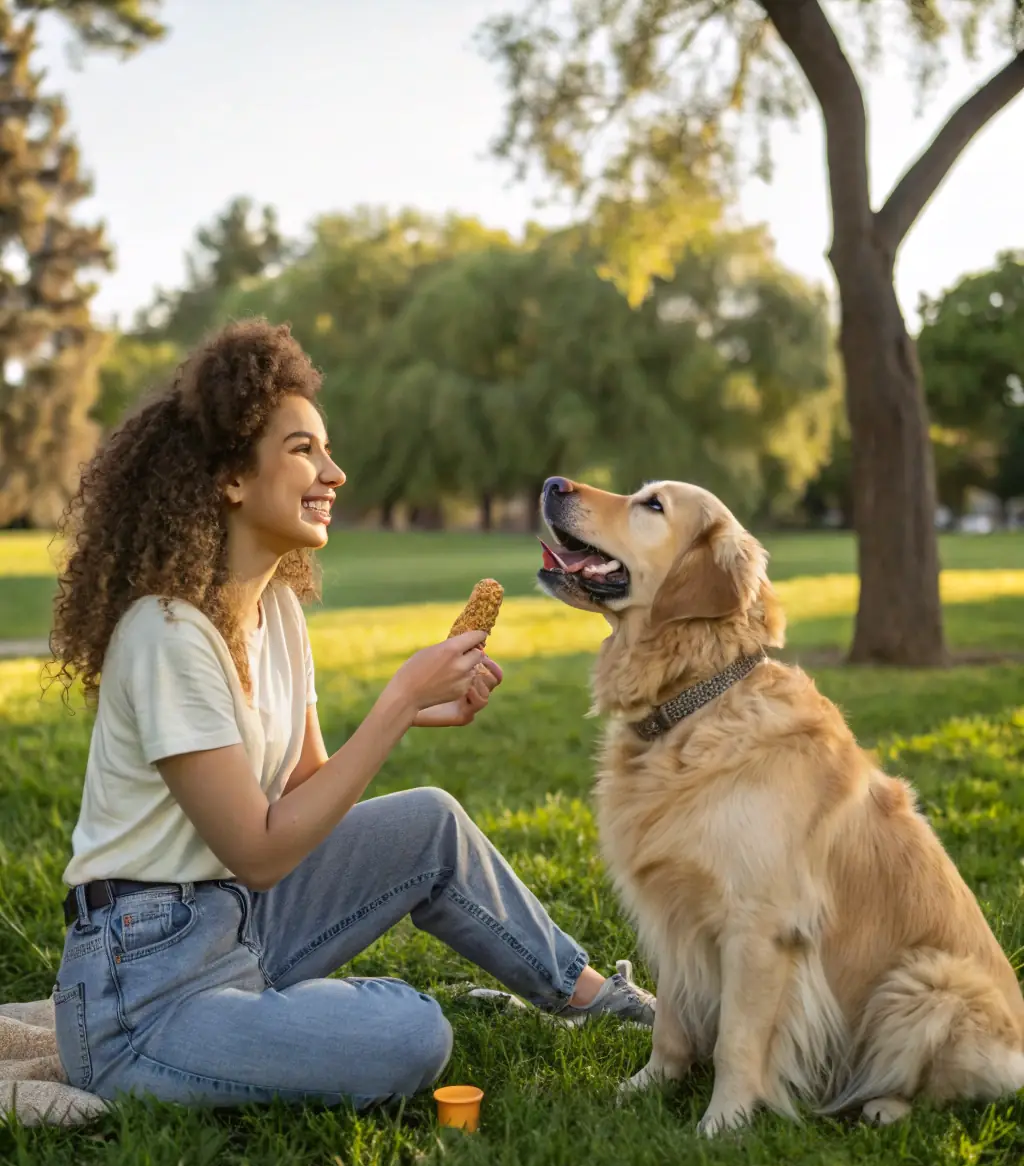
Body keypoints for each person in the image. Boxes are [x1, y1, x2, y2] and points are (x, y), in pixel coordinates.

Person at [49, 320, 654, 1110]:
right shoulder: (166, 634)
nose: (334, 472)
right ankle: (253, 1030)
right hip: (141, 985)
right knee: (412, 1033)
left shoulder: (279, 614)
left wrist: (412, 715)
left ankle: (589, 996)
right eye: (304, 449)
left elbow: (305, 792)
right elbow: (261, 849)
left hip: (240, 923)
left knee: (430, 822)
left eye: (326, 450)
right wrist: (397, 700)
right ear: (232, 475)